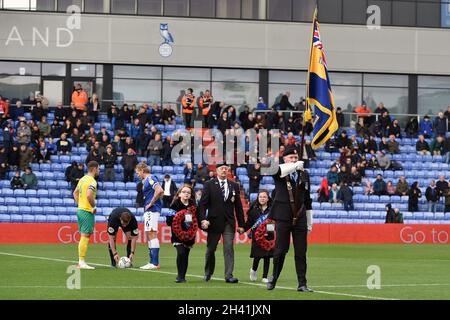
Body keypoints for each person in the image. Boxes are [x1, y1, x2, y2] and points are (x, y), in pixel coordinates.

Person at [267, 146, 313, 292]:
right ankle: (274, 277)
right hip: (283, 217)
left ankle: (302, 283)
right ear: (284, 159)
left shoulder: (304, 174)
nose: (294, 160)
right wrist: (293, 167)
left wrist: (309, 221)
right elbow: (275, 171)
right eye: (290, 158)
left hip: (300, 217)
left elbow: (308, 199)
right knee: (281, 250)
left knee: (301, 252)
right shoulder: (279, 171)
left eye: (295, 158)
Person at [199, 163, 245, 283]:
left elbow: (238, 207)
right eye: (222, 168)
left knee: (229, 248)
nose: (224, 170)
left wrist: (241, 224)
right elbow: (202, 204)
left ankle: (229, 275)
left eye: (226, 168)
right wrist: (203, 219)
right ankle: (208, 272)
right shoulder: (209, 184)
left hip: (229, 222)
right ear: (217, 171)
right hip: (213, 222)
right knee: (211, 249)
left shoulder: (234, 185)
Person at [166, 184, 199, 283]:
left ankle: (182, 277)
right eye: (184, 192)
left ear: (191, 195)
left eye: (188, 192)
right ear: (179, 194)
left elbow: (196, 219)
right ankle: (179, 276)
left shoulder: (193, 205)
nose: (186, 194)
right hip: (177, 235)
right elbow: (168, 221)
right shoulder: (175, 204)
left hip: (189, 236)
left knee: (186, 255)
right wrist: (175, 217)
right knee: (181, 253)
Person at [136, 162, 164, 270]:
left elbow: (160, 190)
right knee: (150, 234)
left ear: (142, 170)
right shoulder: (147, 180)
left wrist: (151, 203)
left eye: (138, 172)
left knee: (152, 233)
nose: (138, 174)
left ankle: (154, 263)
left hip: (152, 209)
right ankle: (152, 261)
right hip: (150, 210)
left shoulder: (151, 178)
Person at [73, 161, 100, 269]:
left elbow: (75, 193)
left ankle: (81, 261)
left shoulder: (83, 179)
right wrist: (93, 207)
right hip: (86, 211)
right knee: (85, 235)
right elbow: (89, 195)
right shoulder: (92, 181)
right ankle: (81, 262)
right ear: (94, 169)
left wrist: (80, 204)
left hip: (80, 210)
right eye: (98, 169)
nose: (99, 170)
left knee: (84, 235)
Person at [244, 190, 274, 283]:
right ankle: (253, 270)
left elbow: (274, 222)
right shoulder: (253, 209)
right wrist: (243, 229)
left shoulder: (272, 209)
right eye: (260, 197)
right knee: (257, 256)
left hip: (269, 234)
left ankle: (265, 276)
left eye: (264, 197)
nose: (262, 198)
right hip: (257, 236)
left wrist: (270, 233)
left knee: (267, 256)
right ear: (258, 198)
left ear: (268, 198)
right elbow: (249, 223)